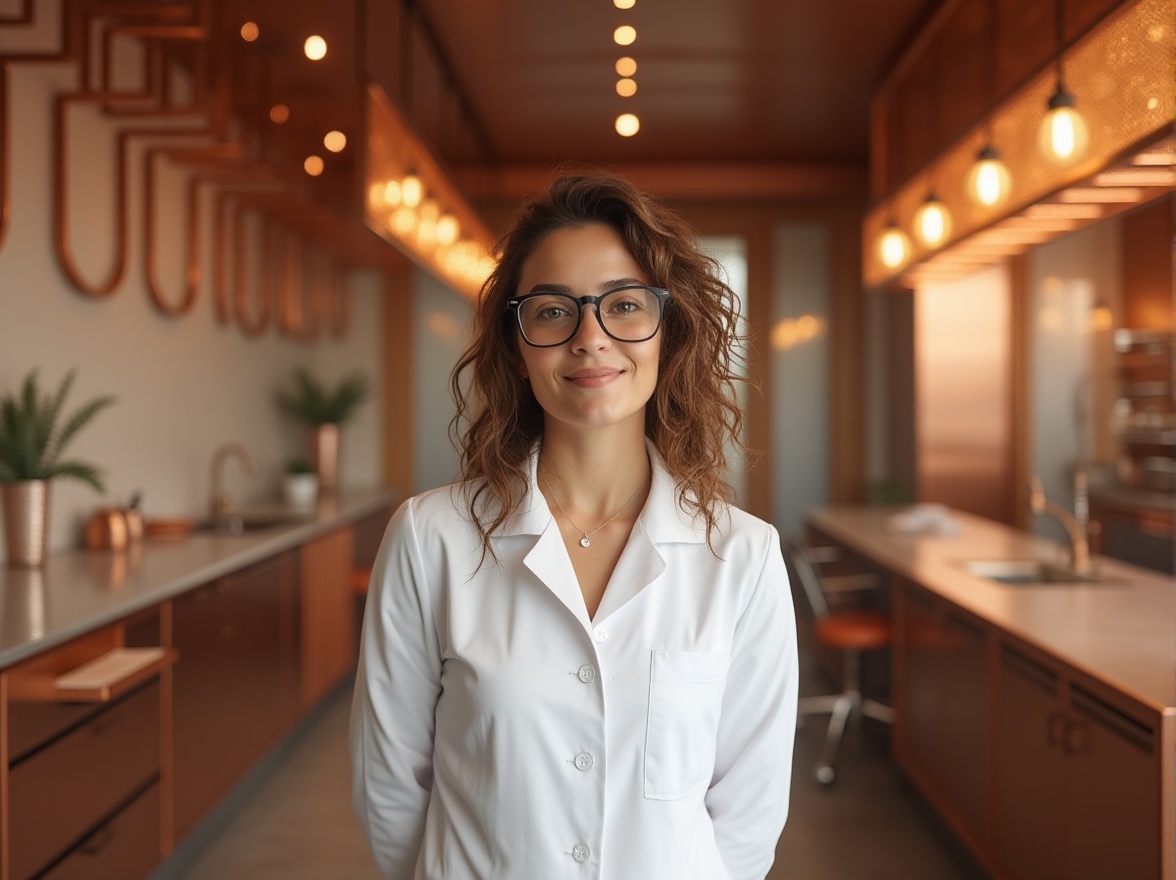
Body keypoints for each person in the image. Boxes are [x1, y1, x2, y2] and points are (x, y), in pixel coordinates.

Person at [350, 173, 799, 880]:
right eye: (554, 311)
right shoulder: (429, 538)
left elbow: (748, 815)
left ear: (667, 330)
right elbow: (390, 786)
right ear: (518, 344)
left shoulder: (742, 557)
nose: (591, 338)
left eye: (623, 305)